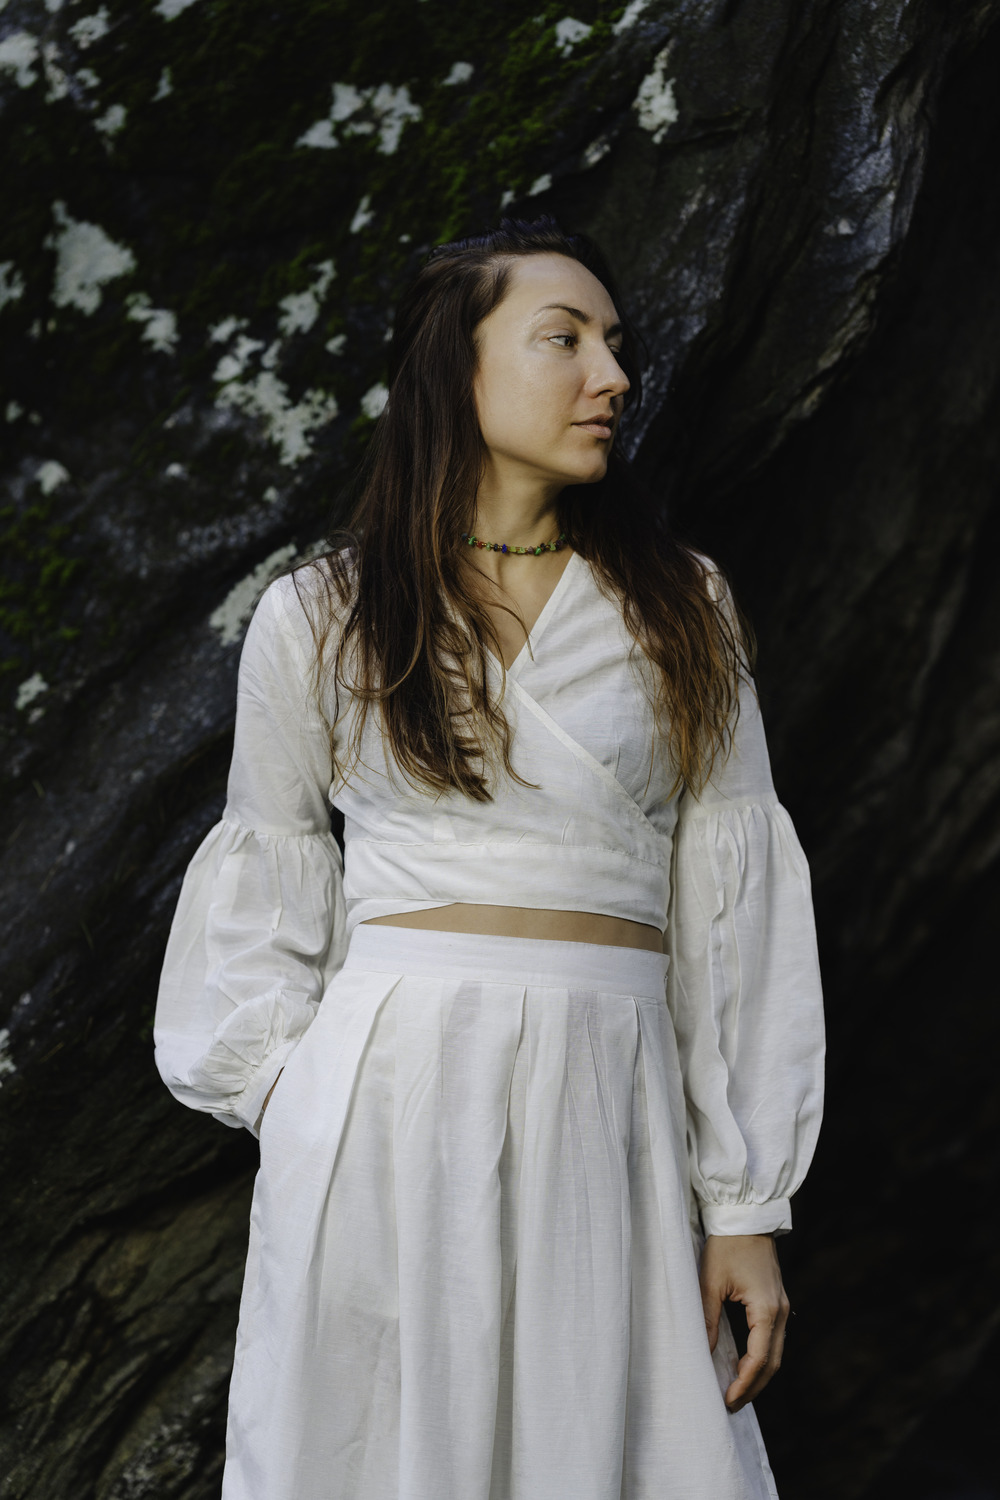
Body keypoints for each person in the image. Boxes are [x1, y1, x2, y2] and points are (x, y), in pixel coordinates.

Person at [154, 215, 825, 1500]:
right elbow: (267, 866)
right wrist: (297, 1098)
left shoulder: (682, 605)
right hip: (388, 1101)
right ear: (454, 372)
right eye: (562, 341)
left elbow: (729, 906)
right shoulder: (323, 612)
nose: (611, 377)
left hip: (611, 1097)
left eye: (614, 345)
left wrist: (744, 1203)